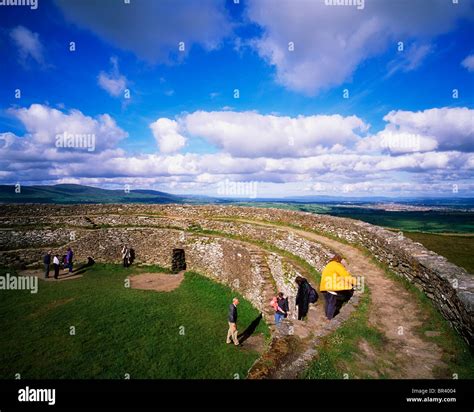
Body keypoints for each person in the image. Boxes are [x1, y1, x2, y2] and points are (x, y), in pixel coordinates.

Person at [320, 255, 357, 321]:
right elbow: (346, 276)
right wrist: (357, 283)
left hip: (325, 288)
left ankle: (328, 318)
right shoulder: (337, 265)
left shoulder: (330, 265)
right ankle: (331, 320)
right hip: (332, 289)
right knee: (334, 305)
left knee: (329, 304)